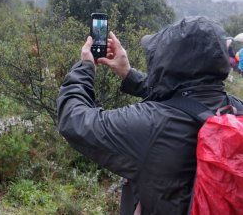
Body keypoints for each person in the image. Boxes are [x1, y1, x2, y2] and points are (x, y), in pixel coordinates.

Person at [56, 16, 243, 214]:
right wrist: (129, 74)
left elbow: (73, 119)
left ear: (170, 62)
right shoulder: (235, 111)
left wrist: (85, 68)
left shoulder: (150, 124)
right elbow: (186, 100)